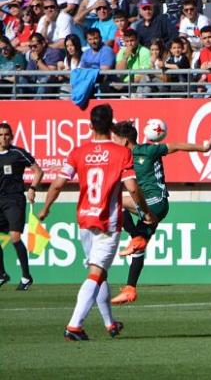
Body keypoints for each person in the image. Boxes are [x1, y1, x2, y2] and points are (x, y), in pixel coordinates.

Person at [38, 104, 155, 341]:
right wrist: (146, 212)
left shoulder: (78, 152)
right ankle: (74, 325)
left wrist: (45, 208)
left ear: (90, 125)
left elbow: (58, 183)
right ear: (112, 126)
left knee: (99, 273)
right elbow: (132, 187)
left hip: (84, 220)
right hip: (107, 223)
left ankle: (110, 323)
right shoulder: (122, 153)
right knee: (96, 274)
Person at [110, 121, 211, 305]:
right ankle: (130, 288)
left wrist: (203, 148)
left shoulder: (148, 150)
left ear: (125, 141)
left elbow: (177, 146)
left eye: (115, 139)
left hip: (157, 201)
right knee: (139, 248)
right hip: (150, 204)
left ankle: (135, 238)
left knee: (115, 203)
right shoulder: (124, 158)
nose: (112, 143)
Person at [0, 123, 43, 291]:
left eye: (6, 134)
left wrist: (32, 188)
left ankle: (26, 277)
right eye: (1, 134)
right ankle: (2, 274)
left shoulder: (17, 153)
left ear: (11, 136)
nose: (3, 137)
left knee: (15, 236)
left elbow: (38, 171)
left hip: (14, 200)